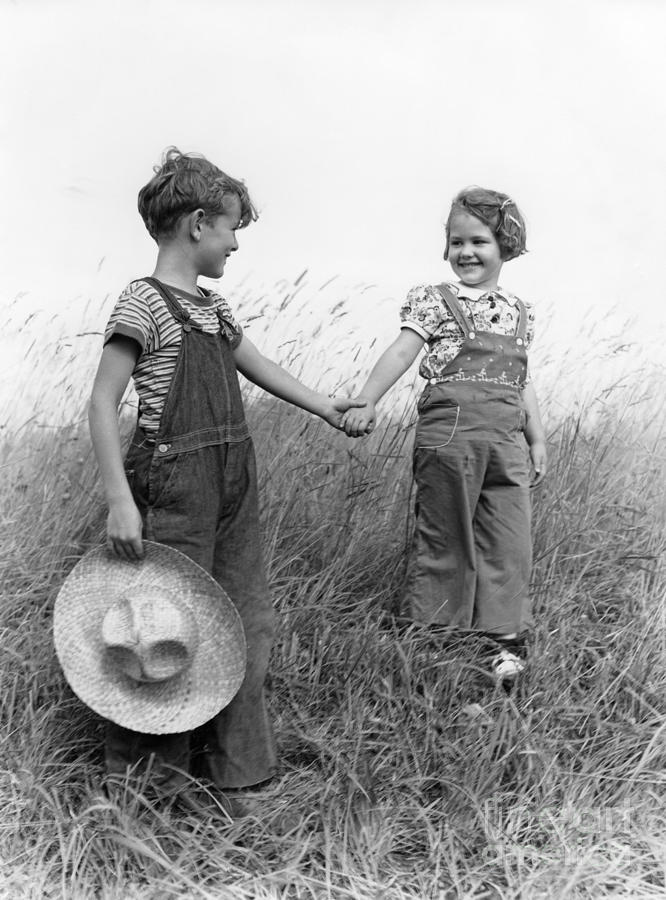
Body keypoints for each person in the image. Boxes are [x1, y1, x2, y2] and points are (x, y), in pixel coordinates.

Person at [88, 146, 364, 809]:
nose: (236, 243)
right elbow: (101, 403)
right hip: (174, 484)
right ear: (198, 223)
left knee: (241, 622)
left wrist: (327, 407)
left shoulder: (214, 308)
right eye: (232, 227)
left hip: (233, 482)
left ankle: (236, 771)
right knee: (165, 627)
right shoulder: (144, 302)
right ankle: (146, 791)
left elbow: (257, 364)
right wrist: (121, 501)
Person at [342, 186, 546, 681]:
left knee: (509, 539)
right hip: (450, 434)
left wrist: (537, 438)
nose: (466, 252)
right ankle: (433, 635)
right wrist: (368, 397)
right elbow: (400, 351)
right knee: (446, 533)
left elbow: (523, 380)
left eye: (479, 242)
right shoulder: (435, 301)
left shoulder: (519, 310)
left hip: (506, 439)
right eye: (457, 242)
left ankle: (503, 641)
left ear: (506, 245)